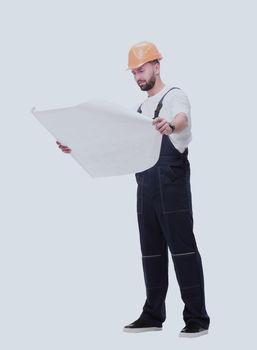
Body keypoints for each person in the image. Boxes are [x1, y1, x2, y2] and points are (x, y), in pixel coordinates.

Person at [56, 41, 210, 338]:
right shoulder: (139, 110)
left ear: (157, 65)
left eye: (142, 69)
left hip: (172, 189)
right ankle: (153, 314)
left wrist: (171, 126)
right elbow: (113, 141)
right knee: (150, 252)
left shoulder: (175, 96)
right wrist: (75, 146)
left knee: (183, 251)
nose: (138, 76)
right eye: (134, 72)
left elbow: (182, 119)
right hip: (146, 190)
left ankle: (197, 317)